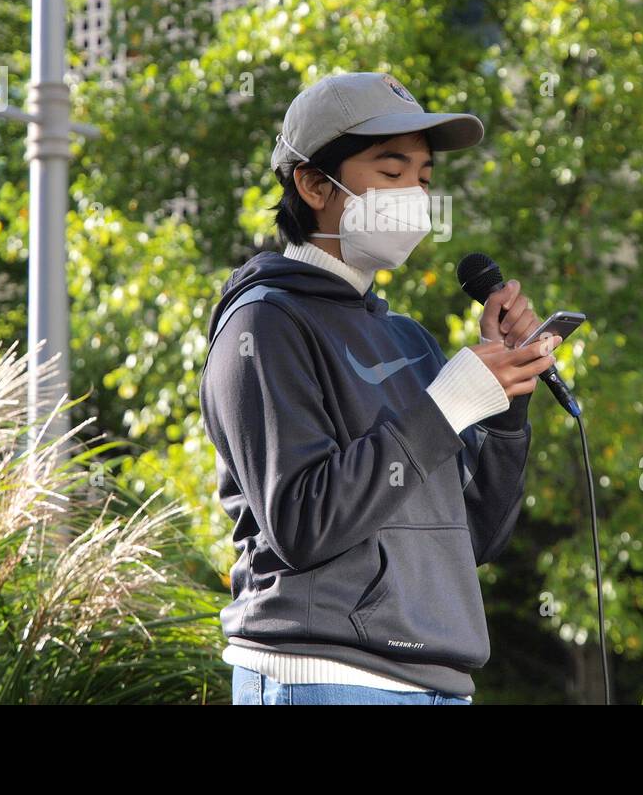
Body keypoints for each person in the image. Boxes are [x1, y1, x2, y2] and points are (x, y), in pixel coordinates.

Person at [200, 71, 559, 705]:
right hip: (324, 677)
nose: (415, 195)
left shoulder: (409, 339)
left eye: (423, 178)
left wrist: (506, 405)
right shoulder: (265, 323)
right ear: (313, 184)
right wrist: (446, 406)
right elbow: (303, 521)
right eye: (391, 173)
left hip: (439, 683)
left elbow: (475, 538)